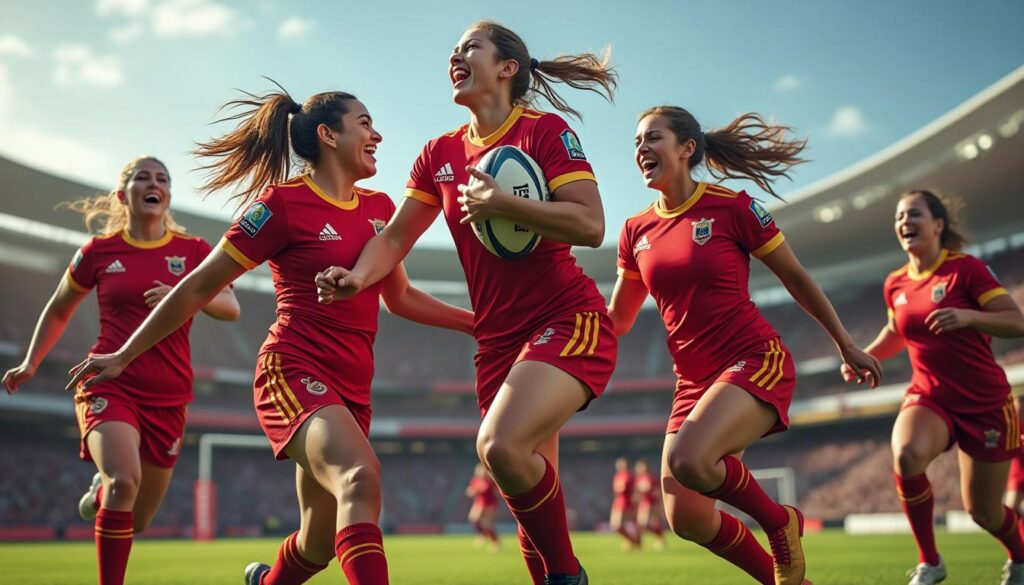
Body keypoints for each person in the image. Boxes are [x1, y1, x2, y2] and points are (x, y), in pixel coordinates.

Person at [67, 86, 474, 585]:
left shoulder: (380, 208)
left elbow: (401, 299)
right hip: (294, 372)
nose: (377, 134)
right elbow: (199, 285)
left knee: (318, 542)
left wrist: (480, 324)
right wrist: (126, 353)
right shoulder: (281, 205)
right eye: (365, 123)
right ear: (328, 135)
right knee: (360, 477)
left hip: (352, 391)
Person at [315, 20, 617, 585]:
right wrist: (358, 277)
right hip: (498, 341)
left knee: (500, 447)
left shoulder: (545, 131)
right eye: (453, 51)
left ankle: (568, 576)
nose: (455, 56)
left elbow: (592, 224)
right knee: (527, 496)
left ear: (506, 68)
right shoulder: (439, 153)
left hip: (565, 318)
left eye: (470, 47)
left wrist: (506, 204)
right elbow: (395, 238)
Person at [607, 105, 881, 585]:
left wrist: (845, 342)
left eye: (652, 138)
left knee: (688, 460)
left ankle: (780, 522)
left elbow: (795, 277)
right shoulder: (634, 231)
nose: (641, 150)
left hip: (753, 360)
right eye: (636, 143)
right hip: (691, 382)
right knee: (687, 519)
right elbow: (619, 319)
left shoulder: (734, 207)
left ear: (686, 148)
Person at [2, 156, 239, 585]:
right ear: (122, 194)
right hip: (109, 383)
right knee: (124, 481)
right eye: (142, 178)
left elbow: (231, 307)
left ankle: (101, 491)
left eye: (162, 179)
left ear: (167, 195)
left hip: (169, 398)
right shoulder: (98, 252)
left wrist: (181, 295)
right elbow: (59, 308)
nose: (154, 184)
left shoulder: (194, 251)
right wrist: (30, 362)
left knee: (138, 519)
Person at [845, 189, 1024, 585]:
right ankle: (930, 561)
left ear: (938, 224)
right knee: (906, 454)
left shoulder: (967, 270)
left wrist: (968, 316)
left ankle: (1020, 557)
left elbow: (1017, 322)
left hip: (984, 404)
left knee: (985, 513)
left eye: (914, 214)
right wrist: (865, 355)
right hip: (930, 396)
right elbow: (896, 331)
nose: (904, 222)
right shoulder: (895, 283)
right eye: (898, 217)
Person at [465, 463, 500, 551]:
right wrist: (472, 491)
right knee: (473, 519)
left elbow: (497, 492)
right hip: (478, 503)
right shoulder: (475, 480)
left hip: (489, 504)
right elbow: (470, 490)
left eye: (483, 471)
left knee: (487, 525)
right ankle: (482, 535)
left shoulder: (491, 481)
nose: (481, 473)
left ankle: (495, 542)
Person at [634, 459, 665, 550]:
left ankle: (659, 538)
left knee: (645, 524)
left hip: (651, 504)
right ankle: (641, 543)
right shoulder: (638, 478)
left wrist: (658, 503)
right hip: (643, 503)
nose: (639, 468)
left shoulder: (652, 478)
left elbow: (657, 491)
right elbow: (637, 491)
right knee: (641, 524)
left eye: (641, 466)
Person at [609, 457, 639, 550]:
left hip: (626, 502)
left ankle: (632, 541)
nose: (619, 465)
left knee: (617, 525)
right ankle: (632, 541)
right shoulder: (618, 475)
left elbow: (623, 489)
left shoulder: (629, 475)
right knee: (615, 525)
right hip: (618, 501)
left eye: (621, 463)